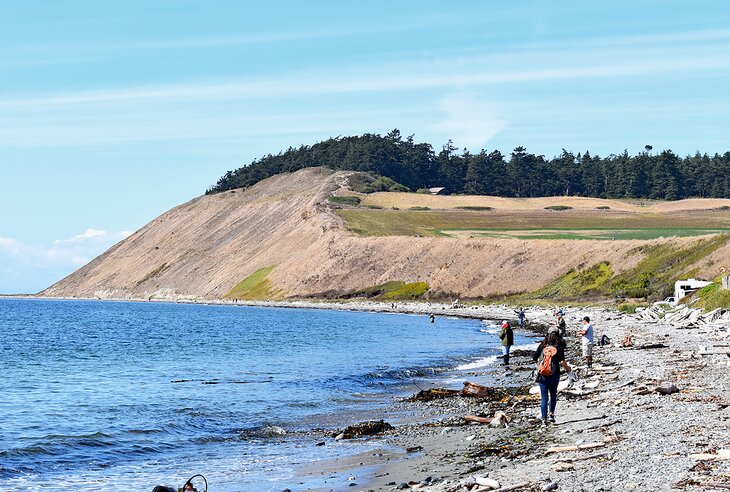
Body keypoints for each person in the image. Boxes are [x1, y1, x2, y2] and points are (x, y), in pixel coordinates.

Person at [533, 332, 572, 426]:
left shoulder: (542, 346)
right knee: (553, 395)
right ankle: (551, 415)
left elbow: (534, 358)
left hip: (542, 375)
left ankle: (543, 420)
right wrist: (568, 370)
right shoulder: (558, 347)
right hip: (555, 374)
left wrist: (538, 367)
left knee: (544, 397)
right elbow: (562, 361)